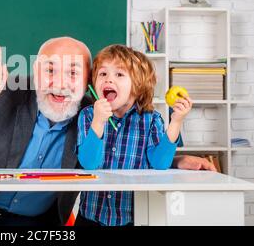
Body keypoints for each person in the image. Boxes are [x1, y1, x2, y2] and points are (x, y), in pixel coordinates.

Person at [0, 37, 215, 226]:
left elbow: (126, 153)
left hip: (32, 225)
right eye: (50, 69)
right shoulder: (5, 96)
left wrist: (176, 161)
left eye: (73, 72)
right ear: (34, 73)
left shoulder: (94, 115)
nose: (60, 82)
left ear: (88, 82)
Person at [75, 45, 193, 226]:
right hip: (90, 217)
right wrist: (98, 122)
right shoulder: (89, 115)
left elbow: (160, 164)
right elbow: (89, 164)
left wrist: (176, 121)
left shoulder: (151, 119)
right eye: (103, 74)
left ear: (137, 86)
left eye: (119, 74)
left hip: (132, 219)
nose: (108, 80)